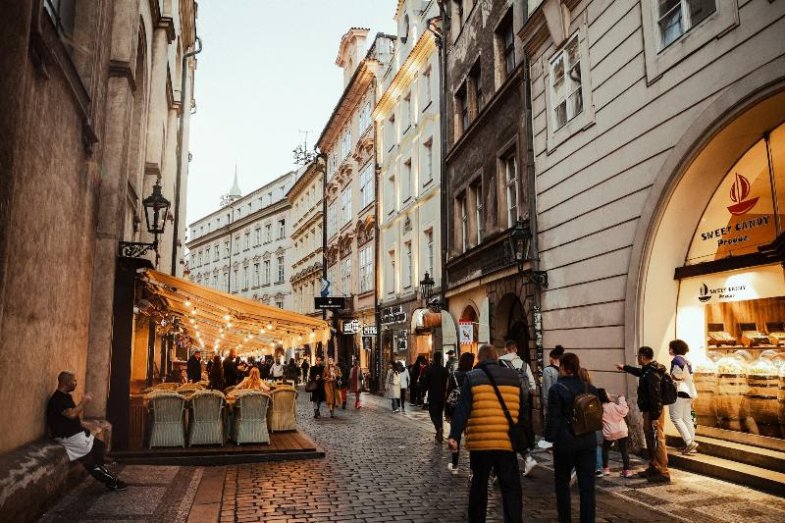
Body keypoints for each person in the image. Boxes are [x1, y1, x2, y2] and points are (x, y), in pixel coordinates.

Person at [447, 344, 525, 523]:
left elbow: (462, 410)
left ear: (479, 360)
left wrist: (454, 436)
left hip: (481, 444)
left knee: (479, 487)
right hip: (506, 442)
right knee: (511, 488)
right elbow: (522, 410)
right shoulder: (513, 377)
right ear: (496, 358)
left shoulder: (472, 377)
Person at [47, 371, 127, 491]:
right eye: (74, 381)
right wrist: (84, 402)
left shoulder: (65, 396)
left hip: (76, 433)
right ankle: (112, 482)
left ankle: (100, 468)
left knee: (99, 446)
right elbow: (71, 414)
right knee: (90, 462)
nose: (76, 383)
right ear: (67, 382)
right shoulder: (58, 399)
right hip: (68, 437)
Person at [544, 352, 598, 523]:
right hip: (588, 441)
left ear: (564, 368)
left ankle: (565, 518)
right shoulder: (589, 388)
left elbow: (553, 418)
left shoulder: (557, 389)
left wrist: (549, 440)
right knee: (587, 486)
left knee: (562, 482)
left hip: (565, 442)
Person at [615, 346, 670, 483]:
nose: (637, 358)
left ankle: (663, 472)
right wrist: (625, 367)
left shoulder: (652, 372)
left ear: (643, 357)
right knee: (651, 439)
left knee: (658, 439)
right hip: (649, 411)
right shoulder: (648, 370)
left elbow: (656, 395)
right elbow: (640, 372)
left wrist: (655, 417)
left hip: (654, 411)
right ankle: (654, 466)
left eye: (638, 356)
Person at [499, 340, 538, 477]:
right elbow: (533, 386)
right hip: (522, 403)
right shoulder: (524, 364)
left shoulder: (501, 362)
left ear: (505, 349)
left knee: (506, 430)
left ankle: (502, 467)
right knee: (520, 427)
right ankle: (527, 456)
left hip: (507, 402)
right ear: (516, 349)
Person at [445, 352, 475, 475]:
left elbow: (448, 395)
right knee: (472, 439)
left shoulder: (454, 375)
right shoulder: (473, 375)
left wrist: (447, 412)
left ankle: (455, 465)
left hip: (456, 410)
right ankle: (472, 469)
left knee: (455, 437)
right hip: (471, 410)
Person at [669, 339, 698, 454]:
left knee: (675, 417)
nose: (669, 349)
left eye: (670, 347)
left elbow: (677, 376)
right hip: (690, 392)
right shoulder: (687, 360)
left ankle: (689, 443)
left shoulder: (677, 360)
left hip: (681, 391)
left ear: (674, 349)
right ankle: (690, 445)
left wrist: (670, 376)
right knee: (687, 419)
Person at [598, 388, 633, 478]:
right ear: (606, 396)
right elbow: (624, 411)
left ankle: (605, 469)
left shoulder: (600, 409)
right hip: (621, 431)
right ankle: (627, 470)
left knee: (605, 448)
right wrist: (621, 399)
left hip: (610, 432)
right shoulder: (613, 405)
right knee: (624, 450)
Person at [578, 368, 604, 478]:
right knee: (596, 444)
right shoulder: (593, 388)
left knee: (581, 444)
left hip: (581, 420)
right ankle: (598, 468)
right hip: (594, 419)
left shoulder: (577, 388)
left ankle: (581, 467)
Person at [421, 351, 450, 442]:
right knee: (439, 414)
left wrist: (423, 393)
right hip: (442, 395)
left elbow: (425, 383)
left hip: (433, 394)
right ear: (440, 359)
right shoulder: (444, 370)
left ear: (434, 358)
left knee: (432, 413)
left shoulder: (430, 369)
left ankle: (438, 428)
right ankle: (439, 434)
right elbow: (447, 383)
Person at [542, 345, 564, 420]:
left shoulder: (548, 370)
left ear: (552, 358)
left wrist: (547, 409)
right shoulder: (565, 369)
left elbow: (547, 392)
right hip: (563, 407)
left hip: (552, 408)